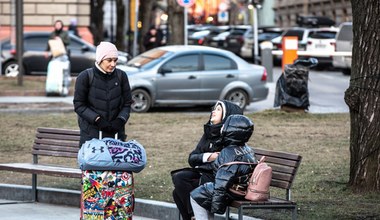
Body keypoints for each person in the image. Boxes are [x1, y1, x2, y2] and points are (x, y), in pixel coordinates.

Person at [171, 100, 243, 220]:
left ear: (227, 116)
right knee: (178, 181)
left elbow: (222, 166)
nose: (213, 111)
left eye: (218, 109)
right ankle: (193, 215)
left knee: (180, 182)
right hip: (204, 175)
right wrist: (208, 156)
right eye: (214, 109)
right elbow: (192, 158)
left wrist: (202, 162)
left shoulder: (230, 137)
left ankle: (193, 215)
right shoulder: (209, 133)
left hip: (218, 181)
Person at [190, 114, 257, 220]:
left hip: (232, 191)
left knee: (197, 195)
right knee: (205, 195)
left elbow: (222, 182)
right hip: (243, 188)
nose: (222, 127)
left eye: (225, 126)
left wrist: (217, 206)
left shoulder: (228, 152)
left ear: (231, 130)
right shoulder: (247, 149)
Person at [73, 41, 133, 147]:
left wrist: (120, 120)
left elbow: (127, 103)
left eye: (115, 60)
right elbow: (79, 105)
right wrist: (97, 119)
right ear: (100, 59)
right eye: (109, 60)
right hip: (91, 135)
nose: (113, 64)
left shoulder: (121, 76)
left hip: (116, 135)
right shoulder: (85, 76)